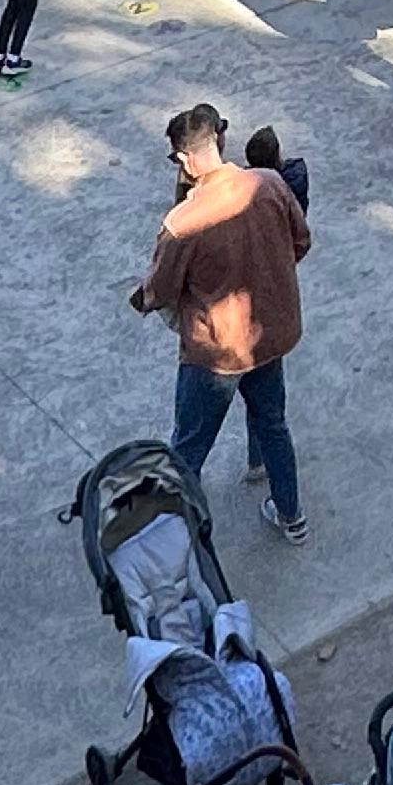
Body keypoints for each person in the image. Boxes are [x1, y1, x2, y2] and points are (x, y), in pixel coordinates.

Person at [133, 101, 310, 543]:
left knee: (190, 444)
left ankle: (176, 534)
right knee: (273, 423)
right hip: (267, 335)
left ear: (185, 160)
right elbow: (300, 241)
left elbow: (162, 290)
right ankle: (291, 514)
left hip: (215, 352)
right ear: (221, 141)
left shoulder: (183, 222)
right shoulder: (269, 184)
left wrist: (145, 298)